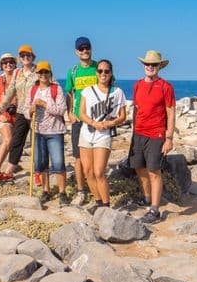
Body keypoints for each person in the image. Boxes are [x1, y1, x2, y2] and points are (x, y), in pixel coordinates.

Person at [130, 50, 175, 223]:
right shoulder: (137, 85)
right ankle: (147, 198)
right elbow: (136, 109)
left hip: (156, 134)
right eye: (147, 64)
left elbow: (171, 113)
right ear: (143, 65)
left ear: (159, 67)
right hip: (138, 133)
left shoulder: (166, 87)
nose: (150, 67)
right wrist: (133, 132)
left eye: (154, 64)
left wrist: (169, 138)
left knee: (154, 171)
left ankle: (155, 210)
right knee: (138, 167)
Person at [78, 59, 126, 211]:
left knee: (99, 171)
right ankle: (98, 202)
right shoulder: (88, 90)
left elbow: (123, 116)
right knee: (88, 171)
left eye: (106, 71)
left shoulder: (117, 92)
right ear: (96, 73)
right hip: (86, 133)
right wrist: (93, 123)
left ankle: (106, 205)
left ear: (111, 73)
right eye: (100, 71)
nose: (103, 74)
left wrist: (109, 124)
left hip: (103, 135)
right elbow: (81, 113)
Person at [25, 61, 68, 206]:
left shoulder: (56, 89)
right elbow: (25, 111)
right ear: (37, 74)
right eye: (40, 72)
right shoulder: (32, 90)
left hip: (55, 131)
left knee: (58, 163)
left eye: (46, 72)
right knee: (41, 163)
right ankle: (46, 190)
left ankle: (62, 193)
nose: (43, 75)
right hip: (37, 131)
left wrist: (44, 104)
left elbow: (61, 110)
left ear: (50, 74)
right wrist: (30, 110)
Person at [64, 36, 98, 206]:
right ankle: (80, 190)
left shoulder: (100, 68)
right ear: (76, 52)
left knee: (95, 156)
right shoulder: (73, 71)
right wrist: (70, 112)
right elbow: (69, 94)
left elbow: (109, 90)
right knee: (78, 157)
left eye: (87, 47)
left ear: (91, 48)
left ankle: (96, 188)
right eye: (81, 48)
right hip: (78, 119)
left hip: (97, 120)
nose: (85, 51)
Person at [0, 44, 37, 181]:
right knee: (16, 142)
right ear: (19, 58)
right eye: (23, 55)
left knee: (37, 143)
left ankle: (39, 173)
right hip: (21, 112)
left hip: (36, 113)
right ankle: (9, 172)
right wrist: (1, 107)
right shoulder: (17, 73)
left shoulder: (39, 71)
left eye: (28, 55)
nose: (26, 57)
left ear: (33, 57)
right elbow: (10, 92)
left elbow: (50, 85)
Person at [0, 52, 17, 179]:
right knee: (7, 139)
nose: (8, 64)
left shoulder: (19, 78)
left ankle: (8, 171)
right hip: (2, 115)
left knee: (14, 143)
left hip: (18, 115)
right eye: (5, 63)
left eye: (11, 62)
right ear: (1, 66)